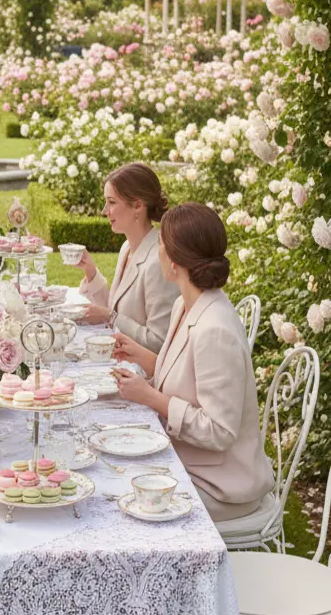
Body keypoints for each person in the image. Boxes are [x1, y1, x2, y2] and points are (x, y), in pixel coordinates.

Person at [112, 202, 274, 524]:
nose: (156, 251)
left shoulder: (215, 329)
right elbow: (188, 374)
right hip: (191, 464)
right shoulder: (187, 305)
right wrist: (139, 355)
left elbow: (220, 431)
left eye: (160, 245)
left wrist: (150, 397)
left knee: (117, 497)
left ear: (173, 262)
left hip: (221, 485)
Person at [76, 162, 177, 353]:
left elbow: (160, 343)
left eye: (112, 202)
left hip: (144, 374)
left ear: (138, 205)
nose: (105, 211)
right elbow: (117, 309)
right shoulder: (127, 248)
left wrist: (111, 317)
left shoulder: (158, 262)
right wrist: (90, 272)